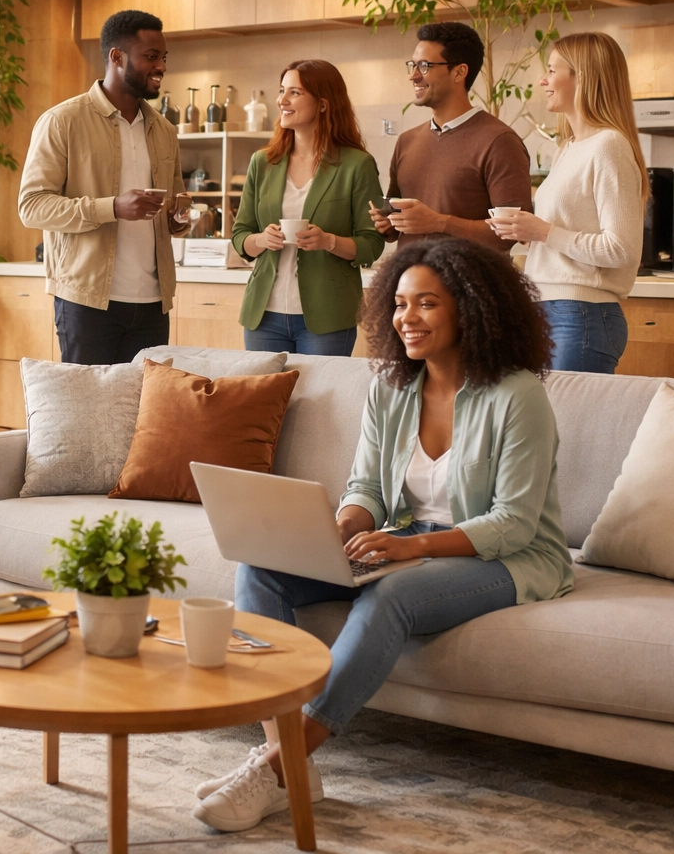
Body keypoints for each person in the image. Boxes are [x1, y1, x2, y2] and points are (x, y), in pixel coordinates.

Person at [193, 238, 572, 833]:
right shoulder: (391, 388)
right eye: (399, 304)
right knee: (260, 566)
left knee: (388, 595)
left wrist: (413, 546)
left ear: (470, 309)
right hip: (403, 541)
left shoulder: (517, 395)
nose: (406, 319)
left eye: (427, 303)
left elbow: (514, 523)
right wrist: (341, 528)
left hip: (509, 558)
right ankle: (288, 759)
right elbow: (367, 485)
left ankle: (275, 769)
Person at [18, 9, 194, 364]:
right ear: (117, 57)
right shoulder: (62, 121)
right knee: (89, 412)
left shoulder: (164, 131)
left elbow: (173, 205)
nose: (161, 66)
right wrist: (112, 207)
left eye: (163, 57)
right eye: (150, 57)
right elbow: (32, 206)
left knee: (145, 416)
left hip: (152, 304)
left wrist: (178, 219)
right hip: (87, 301)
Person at [490, 32, 646, 374]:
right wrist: (526, 232)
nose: (543, 81)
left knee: (570, 426)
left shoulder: (609, 146)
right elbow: (563, 234)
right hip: (548, 310)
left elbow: (622, 249)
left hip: (581, 316)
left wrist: (545, 232)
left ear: (583, 76)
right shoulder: (569, 148)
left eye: (551, 70)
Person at [231, 59, 385, 356]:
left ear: (323, 104)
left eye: (294, 93)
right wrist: (262, 240)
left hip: (327, 318)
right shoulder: (262, 163)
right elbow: (240, 236)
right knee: (263, 402)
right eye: (281, 90)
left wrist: (328, 241)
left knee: (319, 402)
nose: (281, 100)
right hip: (263, 316)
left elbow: (372, 244)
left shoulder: (357, 165)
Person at [371, 22, 532, 251]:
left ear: (459, 72)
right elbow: (397, 221)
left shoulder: (499, 141)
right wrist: (388, 223)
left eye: (425, 66)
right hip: (409, 281)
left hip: (471, 284)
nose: (414, 76)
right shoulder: (407, 141)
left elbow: (512, 231)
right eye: (413, 65)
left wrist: (440, 223)